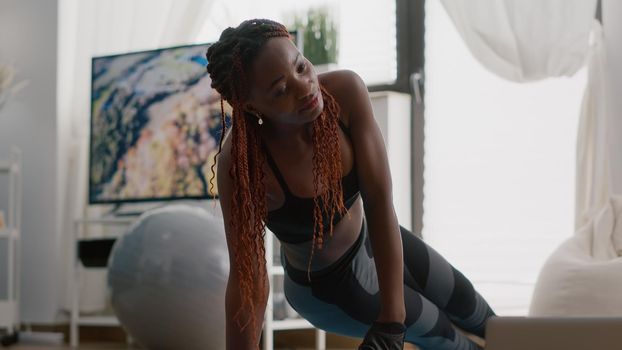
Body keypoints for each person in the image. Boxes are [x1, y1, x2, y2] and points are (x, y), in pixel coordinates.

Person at [206, 18, 496, 350]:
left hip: (372, 237)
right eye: (281, 90)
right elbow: (248, 280)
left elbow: (379, 202)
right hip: (331, 288)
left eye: (301, 66)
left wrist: (392, 319)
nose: (305, 88)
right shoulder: (243, 165)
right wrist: (391, 321)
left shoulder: (343, 93)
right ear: (250, 106)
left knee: (474, 308)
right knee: (448, 338)